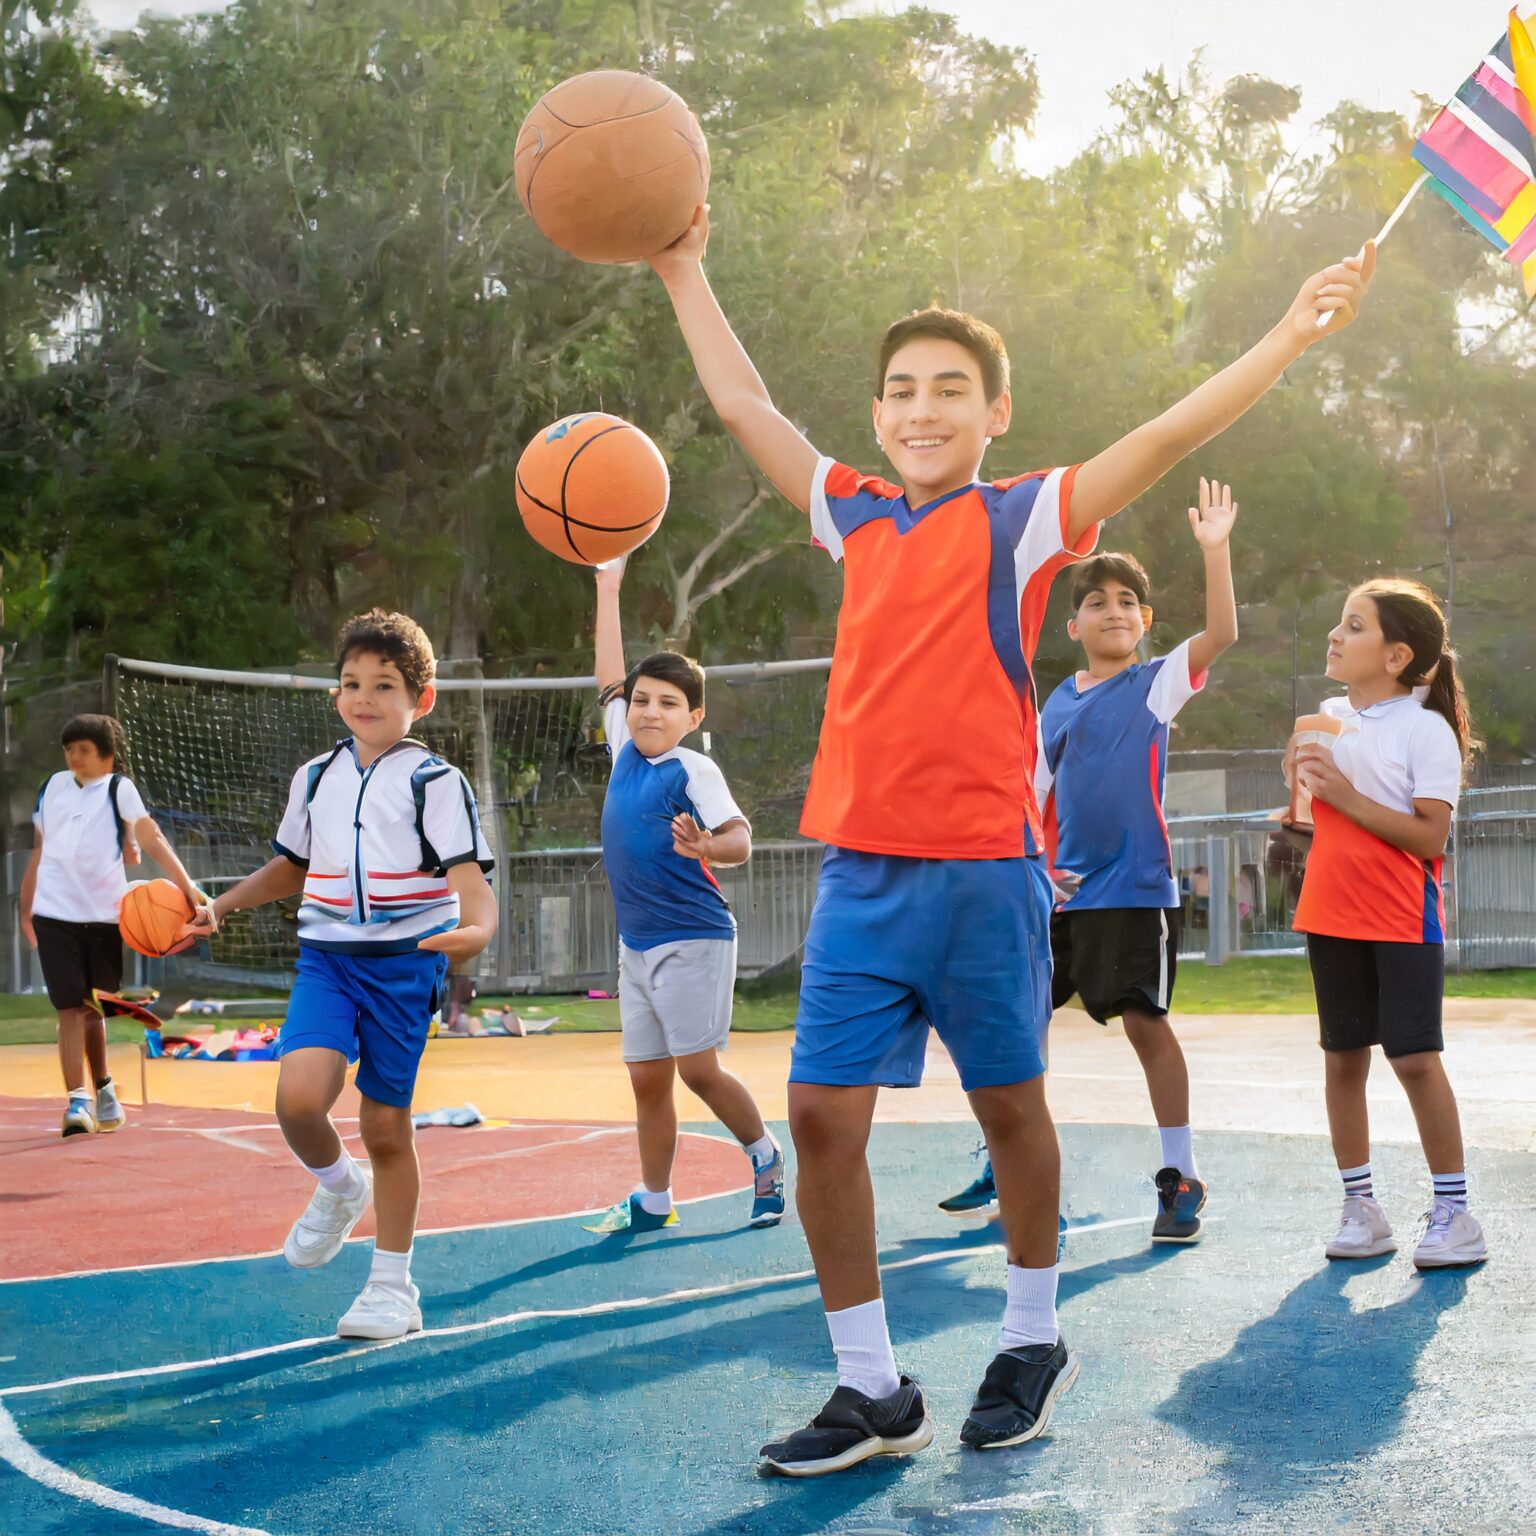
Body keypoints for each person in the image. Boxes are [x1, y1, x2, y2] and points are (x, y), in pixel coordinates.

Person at [646, 200, 1372, 1474]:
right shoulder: (855, 515)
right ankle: (871, 1387)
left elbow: (1162, 433)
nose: (922, 409)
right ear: (878, 417)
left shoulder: (1024, 518)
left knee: (1008, 1109)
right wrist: (682, 265)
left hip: (986, 874)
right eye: (901, 391)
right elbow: (748, 411)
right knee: (821, 1118)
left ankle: (1030, 1335)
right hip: (861, 877)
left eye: (951, 391)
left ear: (994, 414)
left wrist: (1287, 335)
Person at [185, 610, 496, 1338]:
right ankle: (338, 1187)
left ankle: (393, 1287)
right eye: (352, 683)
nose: (364, 696)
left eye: (384, 685)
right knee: (297, 1101)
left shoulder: (435, 782)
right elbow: (293, 868)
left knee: (384, 1125)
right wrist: (221, 904)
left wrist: (475, 931)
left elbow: (472, 886)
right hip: (326, 960)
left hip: (402, 966)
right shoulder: (316, 776)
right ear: (336, 695)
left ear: (422, 698)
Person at [582, 556, 785, 1236]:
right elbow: (608, 673)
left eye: (668, 702)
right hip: (636, 943)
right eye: (642, 699)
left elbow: (741, 839)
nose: (649, 710)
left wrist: (705, 846)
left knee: (697, 1071)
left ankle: (764, 1155)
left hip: (694, 937)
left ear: (693, 716)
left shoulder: (692, 768)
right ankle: (655, 1196)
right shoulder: (624, 750)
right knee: (646, 1080)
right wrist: (607, 586)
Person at [1288, 578, 1486, 1270]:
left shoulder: (1425, 731)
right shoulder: (1326, 716)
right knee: (1342, 1059)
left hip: (1400, 916)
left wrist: (1343, 793)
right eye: (1340, 623)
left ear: (1397, 655)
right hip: (1329, 912)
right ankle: (1361, 1209)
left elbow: (1430, 839)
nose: (1336, 636)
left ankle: (1455, 1213)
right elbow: (1315, 820)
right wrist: (1302, 802)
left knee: (1413, 1059)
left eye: (1355, 626)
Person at [20, 714, 209, 1139]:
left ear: (106, 757)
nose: (74, 757)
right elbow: (39, 851)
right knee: (68, 1007)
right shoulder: (51, 787)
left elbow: (151, 835)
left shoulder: (119, 789)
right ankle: (77, 1101)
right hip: (55, 916)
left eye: (84, 750)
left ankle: (104, 1088)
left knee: (92, 1008)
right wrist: (26, 908)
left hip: (104, 917)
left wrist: (188, 886)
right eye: (69, 750)